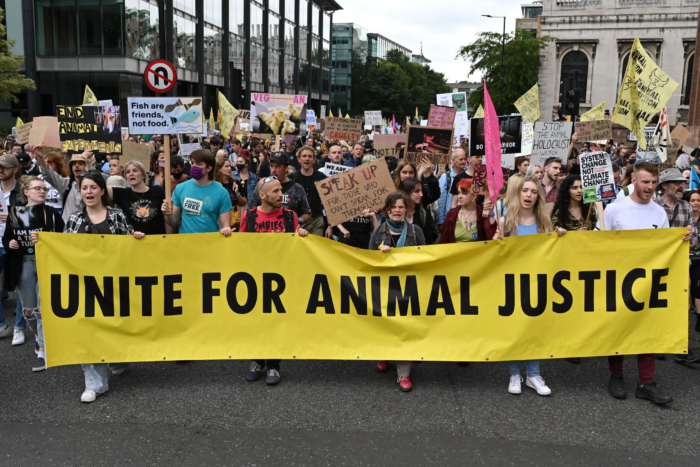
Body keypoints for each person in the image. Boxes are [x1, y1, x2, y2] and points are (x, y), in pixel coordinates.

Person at [603, 162, 693, 405]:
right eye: (645, 182)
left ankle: (646, 382)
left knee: (648, 330)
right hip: (619, 281)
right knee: (619, 329)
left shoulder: (658, 212)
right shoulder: (614, 210)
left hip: (649, 283)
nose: (650, 187)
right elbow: (600, 248)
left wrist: (681, 240)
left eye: (653, 183)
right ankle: (616, 375)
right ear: (633, 179)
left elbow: (664, 247)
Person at [63, 171, 146, 402]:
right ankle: (95, 384)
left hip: (114, 284)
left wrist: (136, 238)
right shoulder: (74, 220)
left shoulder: (117, 216)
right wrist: (44, 243)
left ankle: (116, 357)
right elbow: (63, 252)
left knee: (114, 326)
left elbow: (127, 247)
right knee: (88, 331)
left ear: (102, 190)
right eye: (84, 188)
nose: (88, 192)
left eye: (93, 187)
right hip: (85, 286)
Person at [493, 175, 567, 396]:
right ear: (518, 193)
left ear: (538, 196)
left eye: (533, 192)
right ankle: (514, 373)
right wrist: (496, 242)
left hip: (536, 283)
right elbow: (498, 256)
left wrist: (559, 236)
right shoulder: (506, 221)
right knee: (514, 329)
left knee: (535, 328)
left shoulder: (544, 221)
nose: (528, 195)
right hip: (513, 283)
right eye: (525, 190)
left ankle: (533, 375)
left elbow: (549, 252)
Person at [241, 175, 308, 385]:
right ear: (262, 195)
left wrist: (303, 236)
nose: (282, 195)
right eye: (276, 192)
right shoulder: (249, 216)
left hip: (281, 279)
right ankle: (257, 360)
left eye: (281, 190)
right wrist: (226, 235)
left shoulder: (290, 216)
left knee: (277, 321)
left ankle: (273, 365)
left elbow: (295, 247)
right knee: (256, 321)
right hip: (255, 277)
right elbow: (239, 246)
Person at [2, 176, 64, 371]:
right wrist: (10, 244)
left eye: (44, 189)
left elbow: (63, 239)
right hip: (24, 264)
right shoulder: (16, 213)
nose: (42, 192)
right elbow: (8, 238)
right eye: (38, 188)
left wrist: (48, 240)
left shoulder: (52, 214)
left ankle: (43, 349)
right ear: (26, 192)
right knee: (29, 310)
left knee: (42, 309)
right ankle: (38, 336)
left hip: (45, 263)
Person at [368, 192, 426, 392]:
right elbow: (368, 262)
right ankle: (384, 353)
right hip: (384, 289)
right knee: (385, 326)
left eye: (401, 207)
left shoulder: (415, 231)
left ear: (406, 210)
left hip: (408, 289)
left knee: (405, 330)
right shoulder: (378, 233)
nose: (397, 210)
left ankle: (403, 374)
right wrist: (380, 257)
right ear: (387, 210)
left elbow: (425, 259)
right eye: (393, 207)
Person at [653, 168, 699, 364]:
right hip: (656, 265)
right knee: (657, 303)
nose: (681, 185)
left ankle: (680, 344)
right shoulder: (653, 205)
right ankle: (657, 343)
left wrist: (691, 237)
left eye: (682, 182)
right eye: (676, 182)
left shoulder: (686, 207)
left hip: (681, 264)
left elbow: (695, 235)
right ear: (664, 185)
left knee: (682, 304)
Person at [162, 149, 233, 235]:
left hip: (211, 243)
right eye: (192, 163)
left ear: (209, 168)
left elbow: (225, 225)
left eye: (199, 164)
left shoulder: (221, 192)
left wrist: (226, 230)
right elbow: (174, 222)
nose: (194, 166)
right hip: (186, 243)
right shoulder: (180, 188)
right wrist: (168, 214)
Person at [0, 155, 27, 343]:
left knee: (20, 288)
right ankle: (2, 325)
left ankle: (19, 327)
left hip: (16, 244)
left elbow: (31, 217)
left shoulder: (24, 191)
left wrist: (11, 217)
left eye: (5, 167)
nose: (1, 170)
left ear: (15, 169)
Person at [107, 160, 166, 235]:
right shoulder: (122, 193)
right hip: (133, 242)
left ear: (143, 175)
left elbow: (166, 218)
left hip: (156, 241)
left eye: (135, 171)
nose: (131, 174)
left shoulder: (158, 191)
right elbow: (100, 189)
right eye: (128, 172)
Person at [250, 152, 311, 225]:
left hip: (289, 233)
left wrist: (296, 221)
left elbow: (307, 213)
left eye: (277, 166)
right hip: (265, 231)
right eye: (271, 166)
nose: (273, 170)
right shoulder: (262, 186)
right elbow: (251, 210)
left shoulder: (297, 189)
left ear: (286, 168)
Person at [289, 146, 330, 237]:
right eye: (304, 156)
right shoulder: (292, 178)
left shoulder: (321, 177)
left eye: (310, 156)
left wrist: (330, 225)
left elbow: (329, 201)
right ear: (299, 159)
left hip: (317, 220)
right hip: (299, 221)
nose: (307, 159)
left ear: (314, 160)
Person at [440, 178, 497, 244]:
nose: (459, 196)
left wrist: (490, 212)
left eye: (464, 193)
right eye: (458, 193)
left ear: (474, 196)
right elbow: (444, 241)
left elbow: (491, 238)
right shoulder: (451, 214)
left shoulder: (482, 214)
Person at [398, 177, 437, 245]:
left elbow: (428, 241)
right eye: (417, 191)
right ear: (406, 192)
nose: (421, 195)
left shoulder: (422, 214)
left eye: (421, 191)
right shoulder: (395, 212)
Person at [437, 148, 467, 229]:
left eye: (465, 159)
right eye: (461, 159)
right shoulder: (446, 177)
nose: (464, 161)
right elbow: (441, 201)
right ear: (453, 160)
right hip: (451, 220)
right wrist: (440, 222)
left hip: (467, 219)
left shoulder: (469, 175)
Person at [683, 189, 700, 336]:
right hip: (682, 258)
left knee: (698, 290)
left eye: (698, 200)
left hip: (698, 259)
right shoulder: (683, 217)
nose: (695, 203)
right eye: (692, 200)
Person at [214, 158, 246, 231]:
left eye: (230, 166)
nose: (229, 168)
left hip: (233, 220)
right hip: (218, 220)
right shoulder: (214, 184)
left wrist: (237, 193)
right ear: (219, 169)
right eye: (226, 166)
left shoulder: (235, 182)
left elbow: (243, 203)